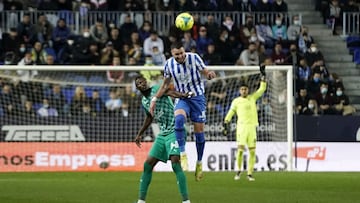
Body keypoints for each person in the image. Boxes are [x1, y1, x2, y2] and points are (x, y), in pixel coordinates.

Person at [149, 41, 216, 181]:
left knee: (199, 134)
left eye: (181, 53)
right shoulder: (169, 64)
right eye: (176, 54)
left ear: (184, 51)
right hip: (182, 98)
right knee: (178, 120)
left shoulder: (194, 57)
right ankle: (183, 153)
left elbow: (205, 72)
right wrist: (155, 99)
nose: (179, 56)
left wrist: (209, 74)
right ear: (172, 54)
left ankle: (199, 162)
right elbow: (165, 85)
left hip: (197, 98)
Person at [134, 76, 191, 203]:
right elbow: (149, 117)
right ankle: (141, 201)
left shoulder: (157, 89)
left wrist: (183, 95)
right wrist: (140, 134)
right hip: (162, 134)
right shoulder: (144, 101)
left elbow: (171, 92)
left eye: (143, 81)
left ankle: (186, 201)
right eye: (138, 83)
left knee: (175, 162)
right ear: (137, 87)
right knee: (148, 164)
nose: (142, 84)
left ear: (146, 82)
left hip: (175, 130)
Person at [223, 66, 267, 181]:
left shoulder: (252, 98)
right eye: (242, 89)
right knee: (240, 150)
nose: (244, 91)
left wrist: (263, 76)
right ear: (239, 90)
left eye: (245, 89)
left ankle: (250, 173)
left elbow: (261, 90)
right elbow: (230, 113)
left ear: (248, 90)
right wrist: (226, 122)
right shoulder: (236, 101)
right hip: (241, 128)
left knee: (252, 152)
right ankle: (238, 171)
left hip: (252, 128)